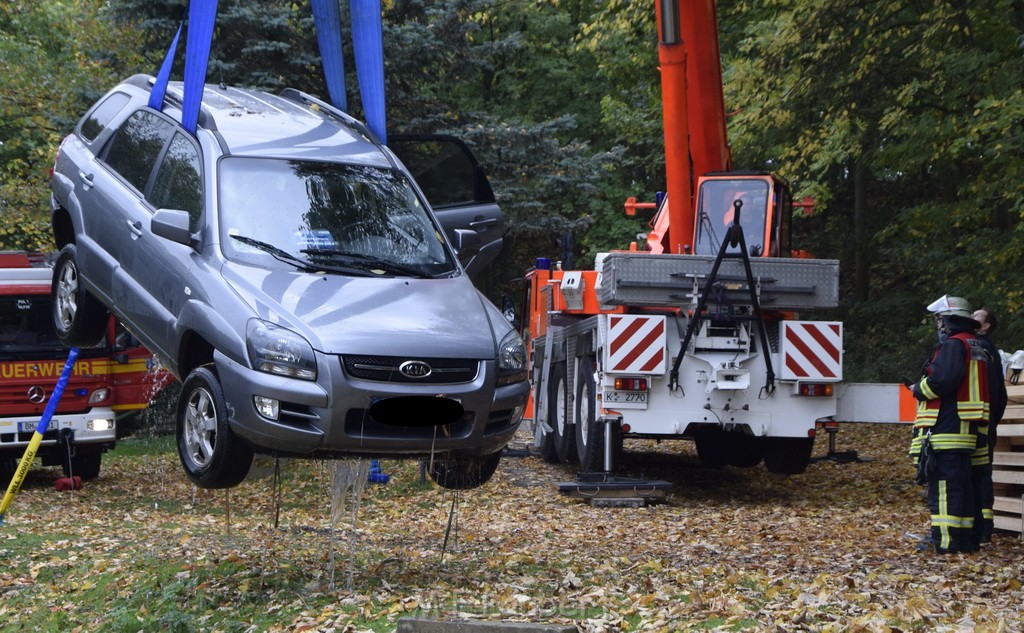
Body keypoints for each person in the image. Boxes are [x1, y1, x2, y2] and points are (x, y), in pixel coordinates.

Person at [909, 295, 990, 554]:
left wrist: (918, 389)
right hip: (967, 429)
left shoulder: (954, 345)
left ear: (948, 321)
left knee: (943, 489)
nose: (940, 325)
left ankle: (944, 543)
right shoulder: (976, 345)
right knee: (962, 488)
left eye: (941, 320)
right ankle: (964, 541)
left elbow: (942, 381)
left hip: (947, 430)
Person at [972, 307, 1007, 544]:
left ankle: (978, 530)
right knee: (983, 475)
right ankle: (984, 528)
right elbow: (1002, 396)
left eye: (977, 317)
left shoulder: (977, 348)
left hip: (976, 426)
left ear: (985, 326)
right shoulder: (990, 351)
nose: (972, 319)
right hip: (987, 424)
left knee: (976, 476)